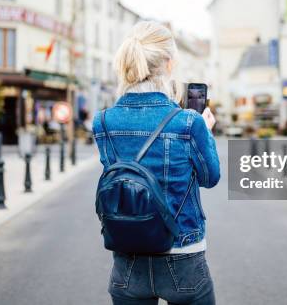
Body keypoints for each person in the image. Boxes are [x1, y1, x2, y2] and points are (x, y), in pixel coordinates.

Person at [93, 21, 220, 305]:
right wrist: (205, 132)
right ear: (168, 64)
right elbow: (210, 177)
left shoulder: (102, 121)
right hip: (183, 253)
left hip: (128, 257)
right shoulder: (188, 121)